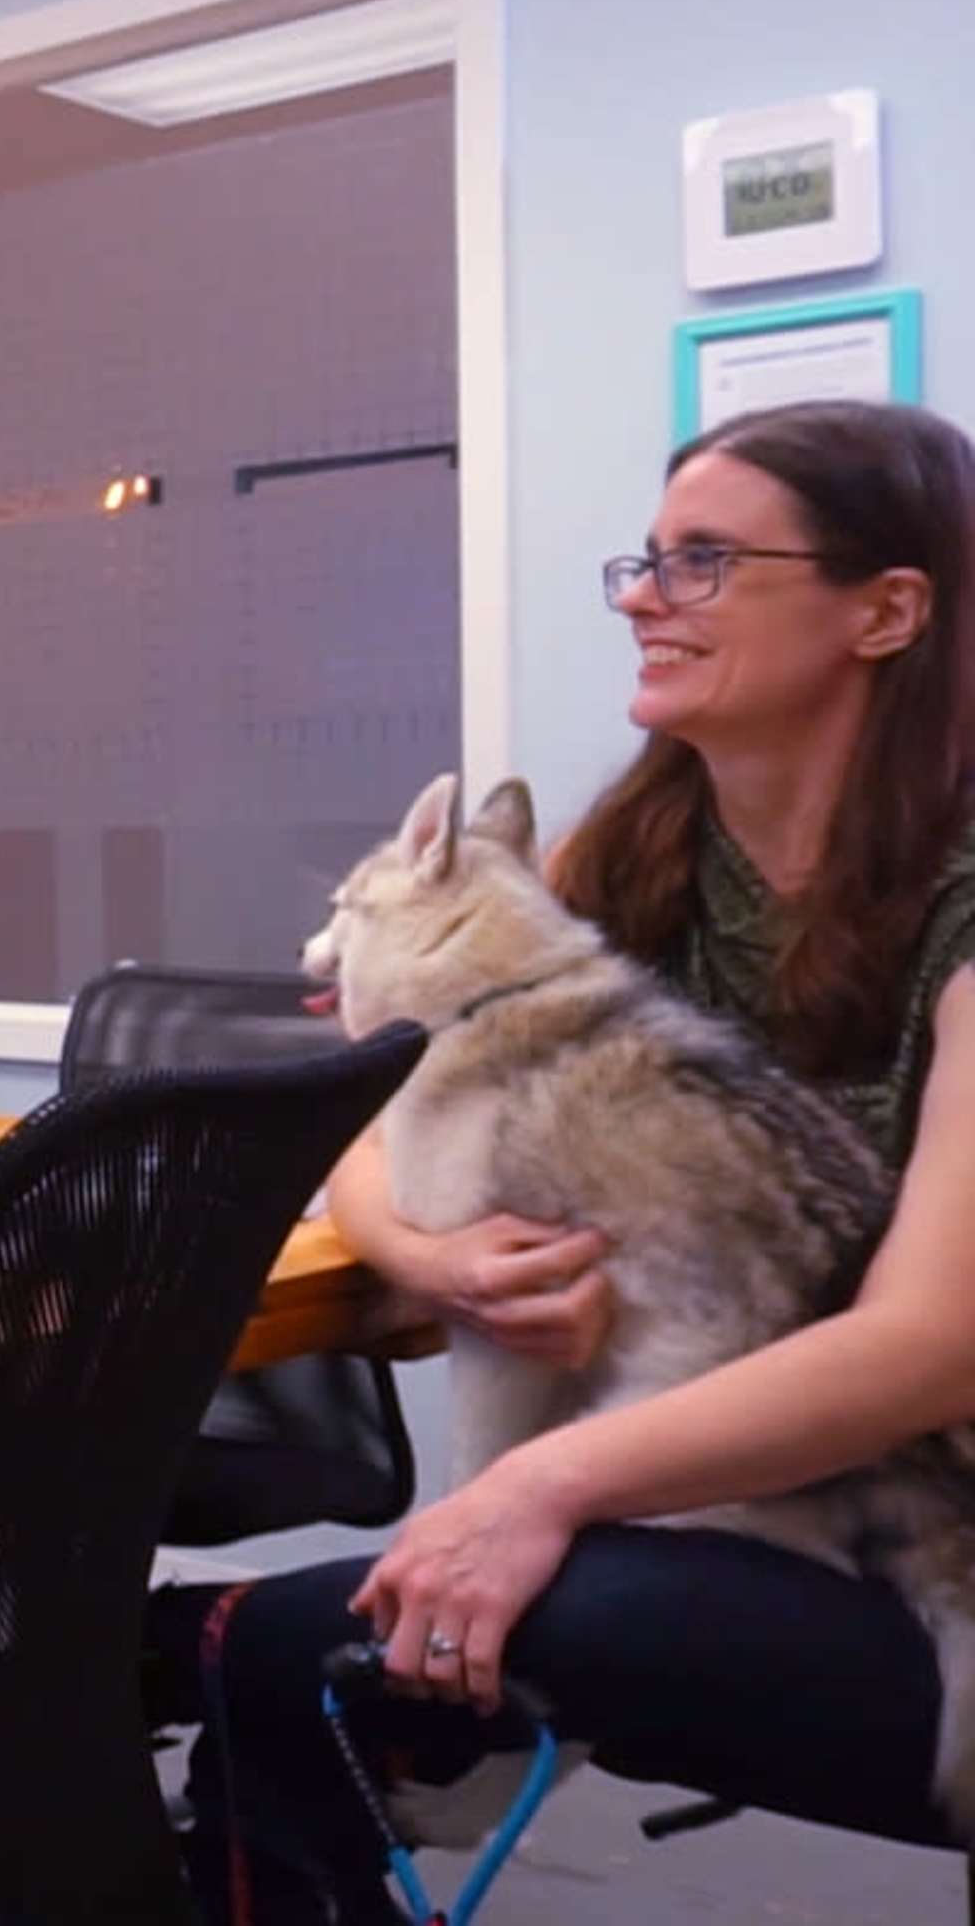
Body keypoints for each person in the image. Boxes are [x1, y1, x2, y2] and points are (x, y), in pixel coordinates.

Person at [178, 399, 975, 1922]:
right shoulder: (632, 861)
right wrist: (437, 1258)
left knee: (277, 1653)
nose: (639, 600)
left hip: (933, 1532)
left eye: (704, 565)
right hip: (756, 1491)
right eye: (644, 561)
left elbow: (937, 1344)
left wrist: (535, 1488)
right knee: (284, 1663)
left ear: (887, 610)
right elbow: (374, 1122)